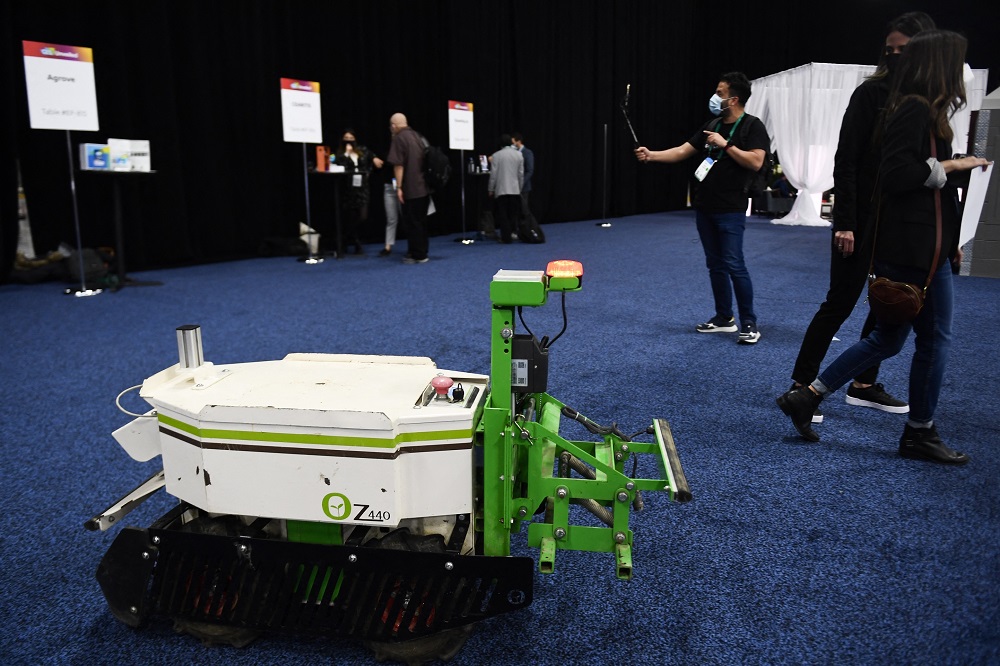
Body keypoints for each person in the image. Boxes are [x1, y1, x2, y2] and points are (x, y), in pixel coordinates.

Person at [776, 30, 989, 463]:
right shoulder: (910, 109)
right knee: (925, 340)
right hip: (911, 246)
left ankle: (810, 395)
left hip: (923, 244)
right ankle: (917, 432)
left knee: (889, 338)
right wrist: (955, 164)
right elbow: (892, 176)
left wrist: (951, 240)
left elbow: (929, 190)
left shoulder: (922, 110)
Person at [787, 12, 936, 423]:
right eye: (889, 50)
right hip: (862, 219)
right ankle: (802, 384)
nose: (894, 57)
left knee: (887, 301)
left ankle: (864, 384)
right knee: (839, 302)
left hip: (900, 225)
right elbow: (846, 160)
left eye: (903, 50)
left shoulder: (926, 99)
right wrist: (846, 222)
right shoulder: (871, 95)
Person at [635, 72, 769, 344]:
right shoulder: (712, 124)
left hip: (731, 207)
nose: (714, 96)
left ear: (734, 99)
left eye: (719, 93)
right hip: (705, 205)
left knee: (734, 264)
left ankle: (749, 322)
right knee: (715, 265)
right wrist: (652, 155)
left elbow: (755, 162)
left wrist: (726, 144)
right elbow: (683, 150)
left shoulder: (753, 127)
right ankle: (724, 318)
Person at [386, 113, 430, 264]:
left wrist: (399, 187)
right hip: (424, 186)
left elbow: (398, 165)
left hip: (411, 188)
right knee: (421, 222)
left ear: (394, 126)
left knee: (412, 222)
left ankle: (417, 254)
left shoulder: (399, 138)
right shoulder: (418, 136)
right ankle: (422, 250)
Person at [333, 129, 383, 255]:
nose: (349, 140)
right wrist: (347, 155)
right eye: (346, 137)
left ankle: (345, 239)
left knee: (362, 216)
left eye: (351, 137)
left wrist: (375, 158)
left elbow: (372, 157)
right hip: (348, 189)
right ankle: (356, 242)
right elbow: (338, 165)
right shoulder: (339, 154)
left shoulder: (363, 150)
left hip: (363, 187)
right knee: (349, 217)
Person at [488, 133, 523, 244]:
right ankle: (513, 233)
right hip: (515, 189)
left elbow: (493, 175)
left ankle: (505, 237)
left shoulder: (496, 156)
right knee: (513, 213)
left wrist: (491, 189)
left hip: (501, 189)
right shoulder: (519, 155)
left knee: (503, 215)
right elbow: (520, 174)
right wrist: (519, 188)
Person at [512, 132, 536, 232]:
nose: (512, 145)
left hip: (523, 187)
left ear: (519, 141)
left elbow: (530, 170)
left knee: (524, 209)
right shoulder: (513, 153)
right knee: (515, 209)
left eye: (513, 142)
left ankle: (528, 229)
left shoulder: (527, 153)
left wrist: (521, 183)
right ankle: (517, 229)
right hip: (513, 186)